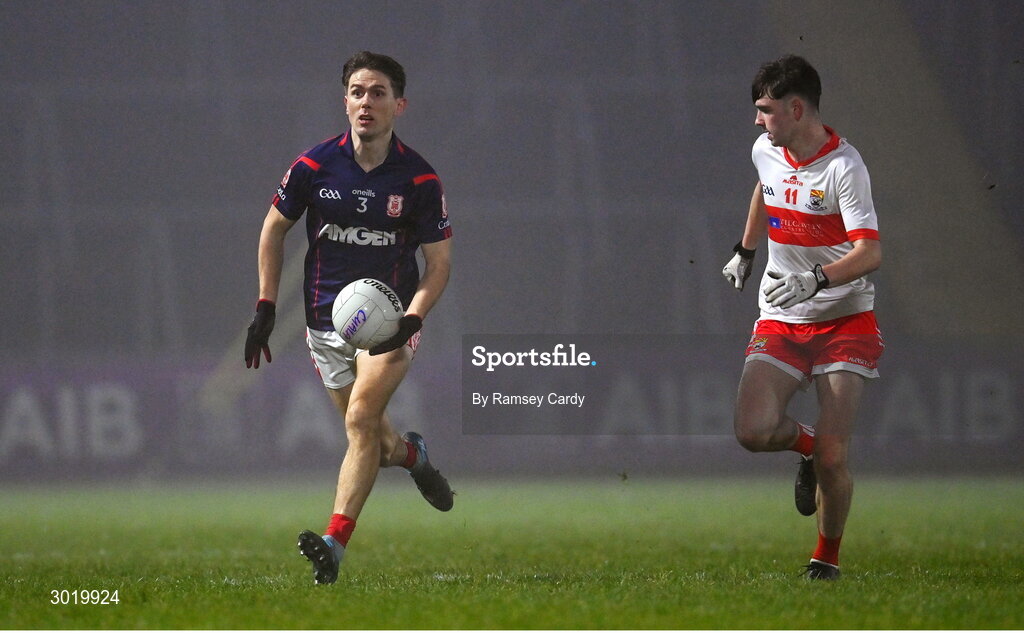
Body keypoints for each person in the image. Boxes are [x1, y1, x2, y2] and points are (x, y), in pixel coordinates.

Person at [244, 51, 454, 585]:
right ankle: (413, 456)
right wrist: (266, 305)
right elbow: (273, 229)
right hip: (323, 325)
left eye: (378, 92)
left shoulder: (420, 179)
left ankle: (335, 542)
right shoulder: (314, 166)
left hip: (387, 329)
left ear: (398, 105)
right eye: (358, 92)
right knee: (377, 445)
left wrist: (412, 317)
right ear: (345, 102)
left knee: (359, 421)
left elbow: (438, 264)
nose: (367, 102)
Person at [722, 55, 883, 580]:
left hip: (843, 320)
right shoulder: (767, 148)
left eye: (765, 110)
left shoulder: (844, 167)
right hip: (781, 317)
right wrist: (746, 251)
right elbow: (763, 188)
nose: (757, 120)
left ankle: (825, 560)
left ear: (796, 108)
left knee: (837, 461)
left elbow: (869, 253)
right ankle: (809, 447)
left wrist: (815, 280)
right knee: (752, 430)